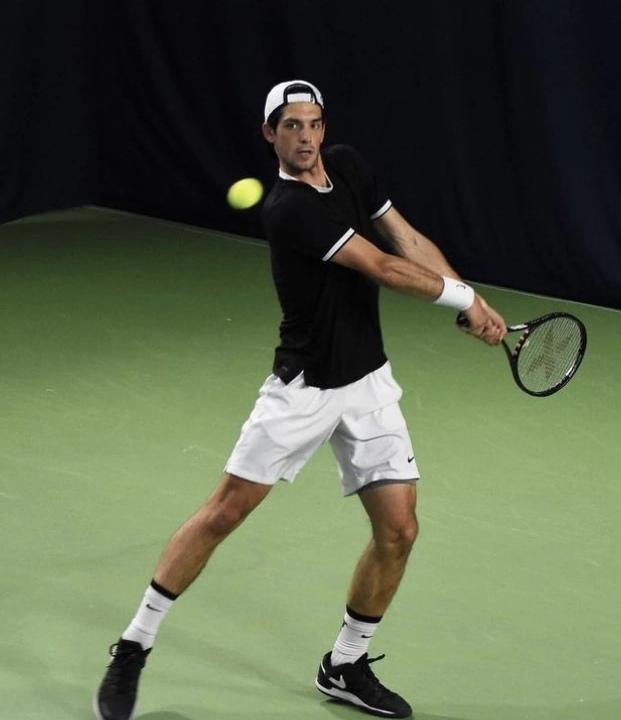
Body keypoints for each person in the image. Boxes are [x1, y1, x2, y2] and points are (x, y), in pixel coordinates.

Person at [93, 79, 506, 720]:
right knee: (224, 513)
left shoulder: (348, 166)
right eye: (291, 126)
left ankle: (344, 665)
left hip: (367, 382)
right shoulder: (288, 209)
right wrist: (465, 301)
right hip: (305, 388)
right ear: (270, 134)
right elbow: (383, 267)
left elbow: (405, 238)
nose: (306, 137)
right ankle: (134, 646)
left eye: (313, 124)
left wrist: (464, 295)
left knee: (399, 530)